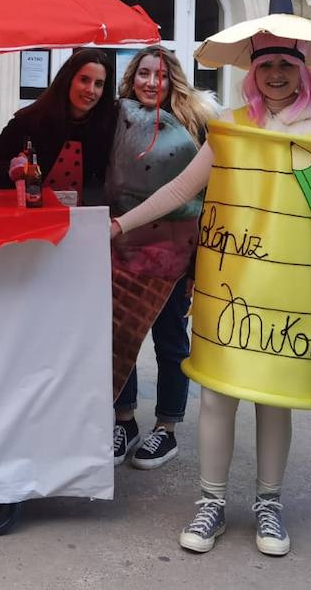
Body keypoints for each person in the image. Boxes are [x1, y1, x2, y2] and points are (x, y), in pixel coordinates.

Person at [112, 32, 311, 558]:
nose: (276, 74)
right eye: (266, 64)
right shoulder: (229, 126)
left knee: (276, 399)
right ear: (252, 71)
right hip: (231, 284)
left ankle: (269, 503)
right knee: (219, 394)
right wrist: (120, 225)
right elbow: (181, 189)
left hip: (298, 289)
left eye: (286, 65)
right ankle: (212, 502)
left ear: (303, 69)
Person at [104, 46, 214, 468]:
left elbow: (207, 193)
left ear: (174, 81)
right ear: (132, 77)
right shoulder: (116, 119)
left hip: (176, 246)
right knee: (121, 333)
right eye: (144, 74)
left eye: (161, 75)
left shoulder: (196, 123)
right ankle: (124, 419)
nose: (152, 83)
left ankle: (166, 428)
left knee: (170, 339)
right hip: (124, 242)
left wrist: (199, 261)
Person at [0, 49, 116, 206]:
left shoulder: (106, 126)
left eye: (98, 84)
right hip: (31, 216)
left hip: (80, 218)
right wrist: (16, 172)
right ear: (68, 79)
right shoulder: (28, 121)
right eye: (84, 80)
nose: (91, 90)